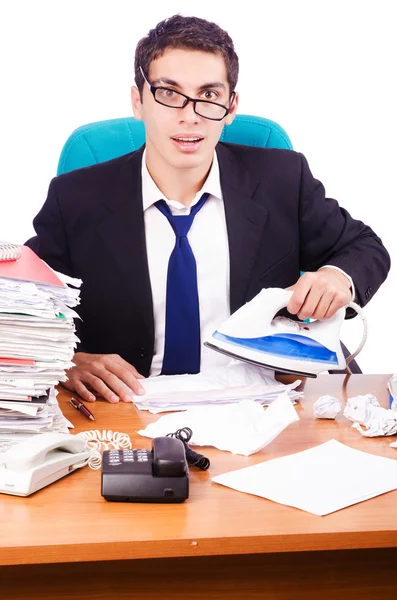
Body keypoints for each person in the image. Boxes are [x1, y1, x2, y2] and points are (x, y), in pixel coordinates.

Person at [25, 14, 390, 404]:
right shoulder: (77, 198)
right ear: (138, 101)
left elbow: (365, 247)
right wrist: (66, 361)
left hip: (261, 401)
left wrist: (337, 277)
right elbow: (22, 308)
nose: (190, 114)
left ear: (231, 108)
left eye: (209, 95)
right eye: (168, 93)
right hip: (128, 406)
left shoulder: (281, 179)